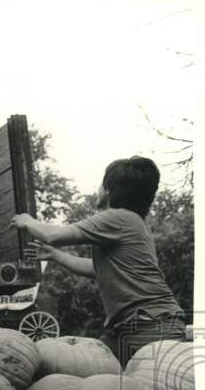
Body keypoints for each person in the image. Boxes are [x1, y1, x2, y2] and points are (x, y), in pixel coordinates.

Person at [10, 156, 184, 365]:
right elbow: (98, 269)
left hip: (149, 325)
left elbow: (53, 235)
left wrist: (27, 220)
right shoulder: (136, 223)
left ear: (110, 189)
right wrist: (55, 255)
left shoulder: (117, 217)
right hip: (138, 325)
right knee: (100, 381)